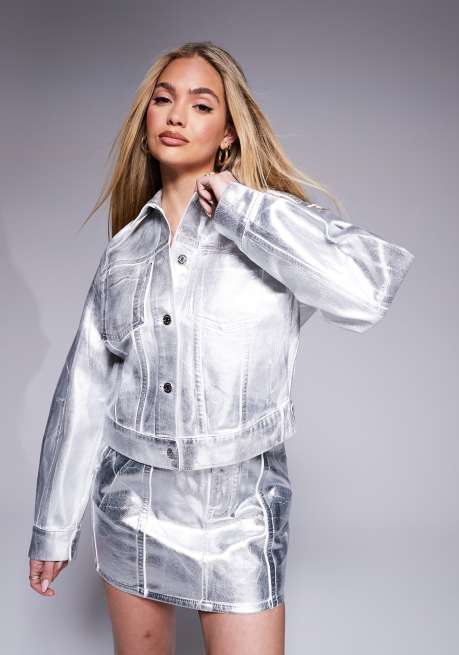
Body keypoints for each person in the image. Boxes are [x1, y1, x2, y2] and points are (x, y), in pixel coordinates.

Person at [27, 41, 415, 654]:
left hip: (240, 515)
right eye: (164, 100)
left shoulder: (268, 226)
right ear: (146, 118)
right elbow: (83, 393)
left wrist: (242, 210)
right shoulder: (123, 253)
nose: (177, 115)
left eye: (201, 105)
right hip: (132, 507)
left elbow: (365, 292)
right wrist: (53, 528)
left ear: (229, 133)